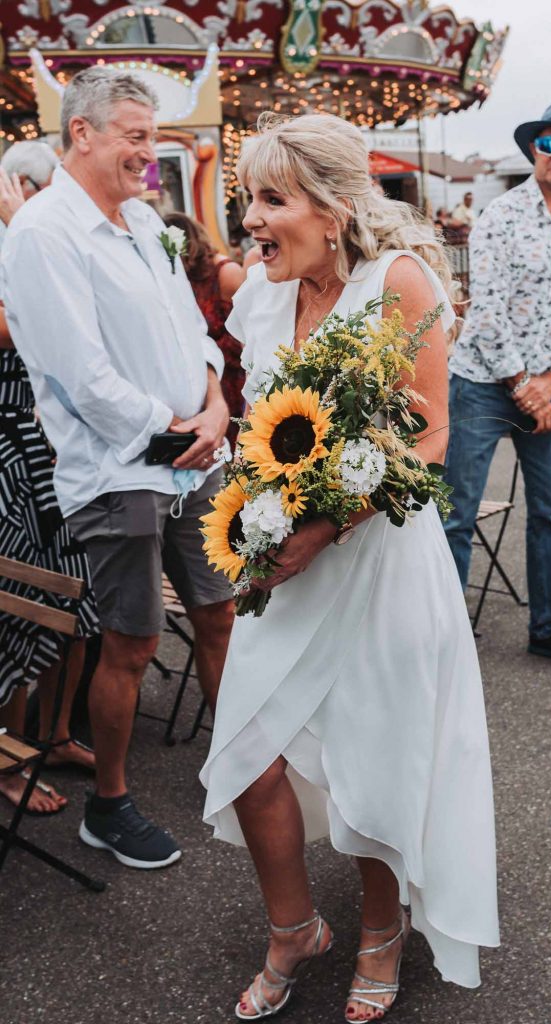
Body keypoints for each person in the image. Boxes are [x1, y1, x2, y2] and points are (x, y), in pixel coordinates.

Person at [200, 112, 498, 1022]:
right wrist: (258, 508)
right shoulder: (261, 294)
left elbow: (433, 432)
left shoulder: (398, 283)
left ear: (332, 209)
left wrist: (324, 527)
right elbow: (263, 421)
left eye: (270, 199)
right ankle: (294, 928)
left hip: (380, 564)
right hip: (283, 567)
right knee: (247, 753)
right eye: (247, 197)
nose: (252, 220)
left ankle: (380, 929)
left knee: (376, 758)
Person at [1, 67, 234, 868]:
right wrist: (177, 435)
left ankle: (239, 765)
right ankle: (111, 804)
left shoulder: (145, 221)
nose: (151, 151)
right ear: (84, 135)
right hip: (118, 472)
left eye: (154, 135)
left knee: (218, 610)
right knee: (130, 643)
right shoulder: (41, 234)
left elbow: (192, 330)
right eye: (137, 135)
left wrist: (215, 402)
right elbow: (79, 374)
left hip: (193, 453)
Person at [444, 98, 551, 666]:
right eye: (548, 143)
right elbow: (485, 312)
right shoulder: (500, 216)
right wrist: (524, 386)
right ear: (533, 150)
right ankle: (442, 642)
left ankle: (550, 629)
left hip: (549, 387)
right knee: (456, 515)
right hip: (482, 383)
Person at [0, 154, 99, 816]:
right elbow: (29, 330)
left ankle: (57, 730)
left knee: (80, 598)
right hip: (8, 456)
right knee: (17, 604)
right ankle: (8, 753)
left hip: (57, 448)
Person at [162, 211, 246, 452]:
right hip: (201, 378)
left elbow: (248, 333)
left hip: (232, 376)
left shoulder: (226, 274)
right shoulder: (177, 277)